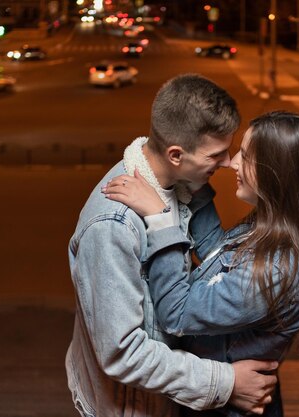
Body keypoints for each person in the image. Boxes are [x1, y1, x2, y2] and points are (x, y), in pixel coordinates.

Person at [65, 74, 278, 417]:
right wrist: (226, 383)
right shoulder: (113, 226)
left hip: (168, 400)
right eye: (216, 154)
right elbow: (122, 354)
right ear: (176, 154)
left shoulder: (183, 187)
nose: (227, 163)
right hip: (130, 409)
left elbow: (211, 268)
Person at [103, 110, 299, 416]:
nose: (232, 163)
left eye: (247, 156)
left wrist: (160, 220)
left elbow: (178, 314)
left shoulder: (274, 270)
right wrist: (191, 174)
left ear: (276, 174)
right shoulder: (270, 231)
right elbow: (216, 251)